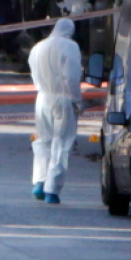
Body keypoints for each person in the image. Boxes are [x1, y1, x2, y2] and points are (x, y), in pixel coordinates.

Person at [28, 18, 83, 204]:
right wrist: (77, 100)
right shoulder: (70, 47)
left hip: (42, 98)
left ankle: (39, 182)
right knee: (61, 142)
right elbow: (71, 76)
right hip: (63, 99)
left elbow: (34, 75)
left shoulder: (38, 47)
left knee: (43, 141)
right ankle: (52, 189)